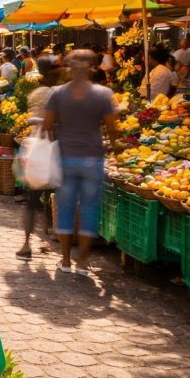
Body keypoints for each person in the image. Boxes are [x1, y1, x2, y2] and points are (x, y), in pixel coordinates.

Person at [42, 49, 123, 275]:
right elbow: (112, 128)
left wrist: (57, 139)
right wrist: (117, 149)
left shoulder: (58, 93)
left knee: (65, 209)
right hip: (93, 158)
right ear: (93, 68)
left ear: (69, 68)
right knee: (89, 210)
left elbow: (47, 125)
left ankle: (66, 260)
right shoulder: (103, 94)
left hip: (66, 157)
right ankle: (83, 262)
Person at [16, 57, 61, 260]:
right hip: (51, 148)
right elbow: (51, 123)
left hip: (37, 148)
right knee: (49, 197)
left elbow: (33, 118)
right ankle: (46, 235)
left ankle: (29, 243)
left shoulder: (36, 93)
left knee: (34, 199)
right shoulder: (55, 93)